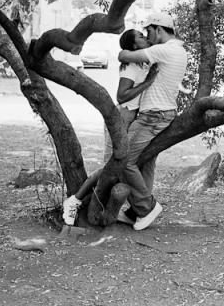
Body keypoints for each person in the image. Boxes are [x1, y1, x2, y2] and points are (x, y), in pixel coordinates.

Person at [62, 29, 157, 225]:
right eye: (140, 36)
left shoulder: (141, 62)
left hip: (131, 117)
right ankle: (75, 201)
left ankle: (133, 209)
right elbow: (121, 95)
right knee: (111, 167)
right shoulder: (131, 67)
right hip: (122, 117)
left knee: (124, 165)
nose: (145, 37)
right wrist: (148, 83)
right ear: (133, 46)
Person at [116, 12, 188, 230]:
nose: (147, 35)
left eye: (148, 31)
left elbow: (124, 56)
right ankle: (135, 211)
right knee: (145, 163)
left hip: (153, 116)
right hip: (161, 114)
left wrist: (124, 50)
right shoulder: (179, 50)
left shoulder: (163, 50)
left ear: (158, 29)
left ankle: (147, 206)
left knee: (123, 160)